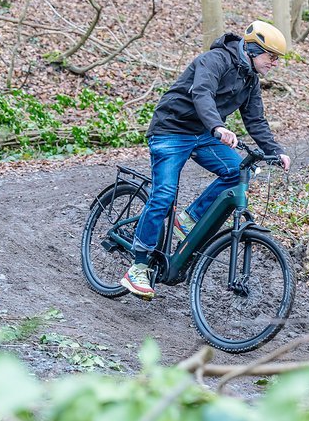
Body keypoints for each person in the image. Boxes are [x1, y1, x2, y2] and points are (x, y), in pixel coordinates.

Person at [121, 20, 292, 299]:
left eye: (276, 59)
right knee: (164, 194)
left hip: (203, 133)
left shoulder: (250, 80)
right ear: (250, 49)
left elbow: (255, 119)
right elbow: (202, 93)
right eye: (271, 56)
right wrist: (218, 126)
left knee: (238, 172)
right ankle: (138, 265)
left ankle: (189, 218)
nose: (274, 63)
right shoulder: (215, 60)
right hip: (171, 130)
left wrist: (275, 150)